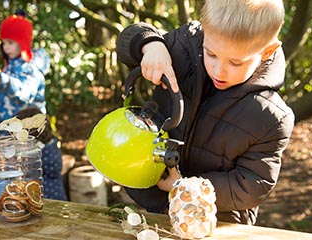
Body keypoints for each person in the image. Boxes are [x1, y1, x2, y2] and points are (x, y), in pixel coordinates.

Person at [115, 0, 295, 225]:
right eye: (210, 54)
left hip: (212, 218)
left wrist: (186, 187)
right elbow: (128, 38)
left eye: (236, 63)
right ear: (204, 31)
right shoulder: (183, 48)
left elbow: (254, 184)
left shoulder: (270, 117)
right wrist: (151, 45)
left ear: (267, 52)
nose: (219, 70)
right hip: (150, 197)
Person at [0, 10, 50, 138]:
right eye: (3, 43)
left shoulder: (31, 68)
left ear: (23, 43)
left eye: (10, 43)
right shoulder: (10, 65)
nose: (6, 47)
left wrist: (2, 81)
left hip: (27, 133)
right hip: (10, 133)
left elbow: (24, 93)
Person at [15, 106, 68, 201]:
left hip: (49, 199)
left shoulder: (43, 151)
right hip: (53, 196)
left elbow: (26, 169)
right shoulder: (49, 145)